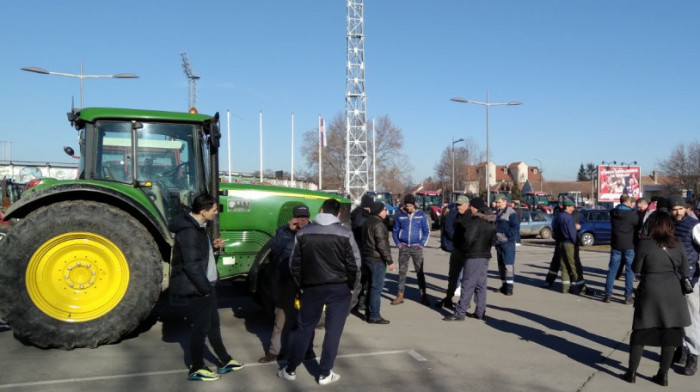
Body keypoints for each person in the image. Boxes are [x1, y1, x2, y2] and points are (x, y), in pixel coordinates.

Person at [278, 199, 360, 385]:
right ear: (338, 214)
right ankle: (325, 372)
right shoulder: (345, 233)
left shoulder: (304, 232)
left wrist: (301, 284)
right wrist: (351, 284)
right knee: (333, 331)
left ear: (321, 210)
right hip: (339, 288)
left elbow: (294, 264)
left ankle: (290, 369)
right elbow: (354, 263)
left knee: (304, 329)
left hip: (311, 287)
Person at [168, 193, 244, 381]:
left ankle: (225, 361)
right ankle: (196, 367)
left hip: (206, 284)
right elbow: (191, 266)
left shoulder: (198, 227)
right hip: (199, 287)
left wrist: (214, 247)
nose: (216, 213)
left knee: (213, 325)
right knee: (200, 328)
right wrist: (205, 288)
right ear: (203, 211)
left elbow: (200, 256)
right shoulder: (189, 231)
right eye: (214, 210)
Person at [624, 211, 691, 386]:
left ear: (652, 225)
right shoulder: (678, 244)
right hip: (673, 292)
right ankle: (663, 375)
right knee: (670, 334)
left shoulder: (645, 244)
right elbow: (685, 271)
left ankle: (631, 372)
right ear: (670, 226)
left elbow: (636, 268)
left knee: (640, 331)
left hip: (650, 290)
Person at [258, 205, 311, 363]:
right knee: (281, 318)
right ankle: (276, 350)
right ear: (293, 218)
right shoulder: (283, 231)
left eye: (305, 217)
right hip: (286, 280)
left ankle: (307, 349)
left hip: (306, 281)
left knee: (307, 317)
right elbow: (274, 247)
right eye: (299, 217)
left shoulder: (314, 231)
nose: (302, 220)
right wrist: (289, 230)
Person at [443, 197, 496, 321]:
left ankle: (460, 312)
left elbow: (468, 237)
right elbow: (493, 239)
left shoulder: (475, 221)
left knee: (467, 283)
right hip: (485, 255)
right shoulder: (489, 221)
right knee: (481, 284)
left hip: (473, 255)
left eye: (471, 206)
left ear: (474, 207)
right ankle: (480, 311)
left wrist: (467, 249)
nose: (470, 209)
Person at [669, 195, 700, 376]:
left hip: (690, 280)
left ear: (685, 208)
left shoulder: (694, 225)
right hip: (673, 277)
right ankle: (680, 349)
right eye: (674, 209)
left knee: (690, 319)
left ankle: (693, 355)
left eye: (680, 208)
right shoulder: (671, 224)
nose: (677, 212)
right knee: (676, 317)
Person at [391, 194, 431, 305]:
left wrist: (422, 244)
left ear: (414, 205)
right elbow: (395, 231)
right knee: (402, 272)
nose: (408, 208)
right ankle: (400, 294)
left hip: (417, 247)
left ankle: (423, 295)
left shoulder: (421, 215)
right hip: (404, 247)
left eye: (410, 206)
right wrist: (398, 244)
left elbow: (426, 231)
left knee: (420, 272)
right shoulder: (400, 215)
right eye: (406, 206)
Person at [361, 201, 395, 324]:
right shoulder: (378, 224)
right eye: (385, 209)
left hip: (367, 258)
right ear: (379, 211)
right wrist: (389, 261)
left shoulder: (367, 222)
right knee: (376, 288)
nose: (386, 211)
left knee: (370, 287)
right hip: (376, 260)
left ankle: (369, 312)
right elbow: (382, 245)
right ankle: (374, 315)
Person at [604, 194, 639, 304]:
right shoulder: (632, 214)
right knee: (629, 271)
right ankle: (628, 296)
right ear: (628, 201)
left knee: (612, 270)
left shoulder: (612, 212)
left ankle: (608, 294)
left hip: (616, 244)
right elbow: (638, 226)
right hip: (629, 244)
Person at [435, 196, 468, 310]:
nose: (458, 207)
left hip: (466, 250)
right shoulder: (453, 214)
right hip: (457, 249)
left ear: (466, 205)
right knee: (454, 275)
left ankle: (464, 302)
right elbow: (449, 230)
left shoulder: (469, 216)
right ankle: (449, 298)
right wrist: (457, 239)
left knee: (466, 276)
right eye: (457, 204)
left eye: (461, 205)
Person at [350, 194, 373, 312]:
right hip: (361, 250)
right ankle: (357, 303)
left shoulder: (355, 213)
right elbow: (361, 230)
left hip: (358, 249)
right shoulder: (362, 216)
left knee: (361, 279)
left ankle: (359, 301)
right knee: (361, 279)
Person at [552, 198, 579, 293]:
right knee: (573, 265)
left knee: (564, 266)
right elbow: (572, 233)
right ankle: (581, 287)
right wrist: (575, 242)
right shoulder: (569, 218)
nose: (573, 209)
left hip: (560, 243)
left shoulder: (558, 216)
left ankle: (565, 287)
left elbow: (554, 230)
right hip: (568, 243)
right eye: (572, 207)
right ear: (567, 207)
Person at [494, 193, 520, 295]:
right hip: (498, 243)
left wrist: (506, 235)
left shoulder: (511, 212)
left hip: (507, 243)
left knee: (508, 265)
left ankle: (509, 287)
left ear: (505, 201)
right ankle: (504, 285)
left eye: (499, 202)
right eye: (496, 202)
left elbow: (516, 227)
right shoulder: (498, 212)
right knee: (501, 265)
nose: (497, 204)